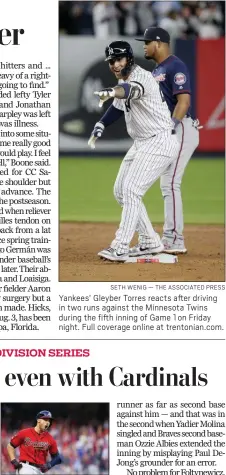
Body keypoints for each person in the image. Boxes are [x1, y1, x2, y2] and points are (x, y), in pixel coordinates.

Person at [88, 40, 179, 262]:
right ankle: (149, 241)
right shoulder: (124, 78)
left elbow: (128, 91)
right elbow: (118, 106)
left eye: (118, 59)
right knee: (121, 191)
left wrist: (111, 91)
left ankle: (120, 247)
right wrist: (101, 124)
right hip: (142, 143)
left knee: (131, 190)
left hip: (159, 141)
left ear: (129, 58)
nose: (115, 65)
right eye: (111, 61)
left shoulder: (142, 78)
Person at [136, 26, 201, 254]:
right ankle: (170, 237)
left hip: (181, 127)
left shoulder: (175, 66)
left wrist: (171, 128)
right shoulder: (156, 71)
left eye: (146, 41)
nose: (143, 45)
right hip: (168, 130)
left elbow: (183, 102)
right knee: (167, 184)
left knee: (171, 183)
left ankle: (174, 240)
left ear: (159, 43)